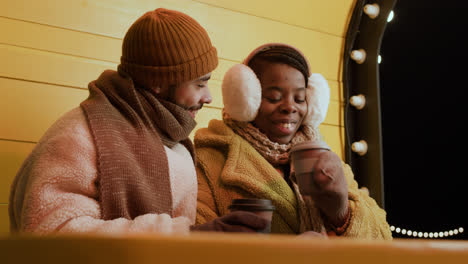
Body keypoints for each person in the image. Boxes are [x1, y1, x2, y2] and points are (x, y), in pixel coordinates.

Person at [9, 8, 268, 234]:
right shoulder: (81, 135)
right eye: (199, 83)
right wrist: (186, 237)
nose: (209, 97)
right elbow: (49, 231)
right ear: (159, 82)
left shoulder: (173, 141)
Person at [194, 43, 392, 239]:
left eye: (299, 98)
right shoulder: (209, 160)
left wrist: (342, 213)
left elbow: (383, 238)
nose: (290, 107)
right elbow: (193, 245)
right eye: (273, 97)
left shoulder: (324, 158)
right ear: (245, 98)